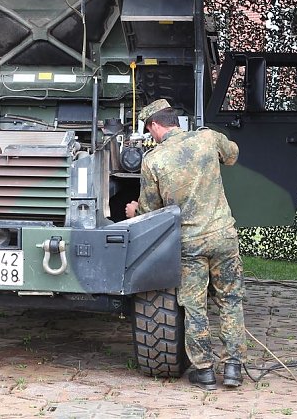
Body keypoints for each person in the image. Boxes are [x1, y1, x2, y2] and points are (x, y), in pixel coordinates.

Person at [125, 99, 245, 390]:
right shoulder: (207, 137)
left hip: (189, 244)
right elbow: (233, 155)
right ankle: (233, 369)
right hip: (222, 237)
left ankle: (204, 372)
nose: (150, 135)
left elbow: (151, 212)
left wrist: (132, 212)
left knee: (194, 306)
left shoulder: (153, 160)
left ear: (155, 126)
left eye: (149, 129)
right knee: (229, 300)